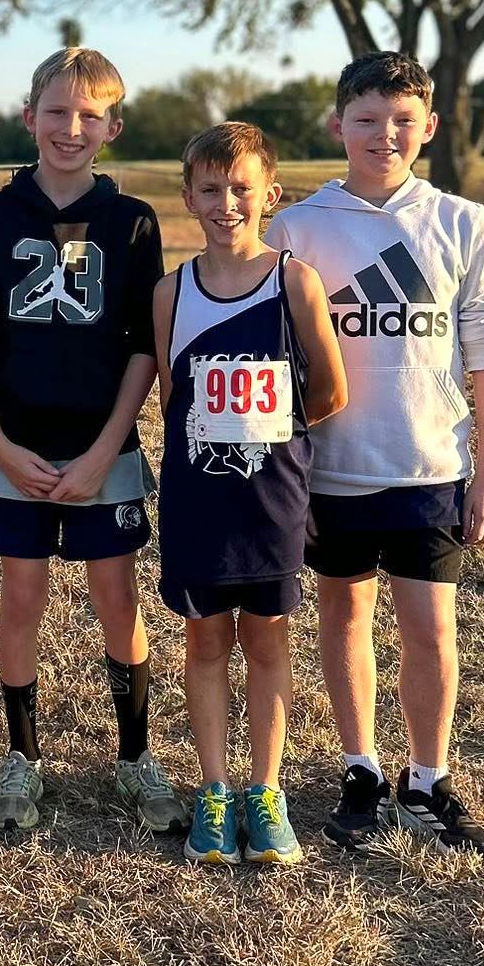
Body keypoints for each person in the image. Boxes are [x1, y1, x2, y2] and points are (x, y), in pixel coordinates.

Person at [266, 52, 484, 856]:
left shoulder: (461, 221)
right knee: (344, 615)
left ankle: (427, 780)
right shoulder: (299, 227)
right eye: (367, 119)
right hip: (331, 469)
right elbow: (274, 357)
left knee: (431, 629)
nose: (385, 135)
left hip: (429, 467)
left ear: (429, 126)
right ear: (337, 125)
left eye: (404, 120)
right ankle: (361, 769)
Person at [0, 47, 185, 835]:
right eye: (57, 111)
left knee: (117, 600)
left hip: (102, 448)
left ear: (114, 127)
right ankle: (22, 757)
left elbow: (143, 346)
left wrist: (104, 451)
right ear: (29, 117)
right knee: (21, 600)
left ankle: (135, 755)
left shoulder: (133, 221)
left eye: (90, 115)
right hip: (16, 447)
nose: (71, 128)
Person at [154, 122, 347, 866]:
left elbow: (329, 391)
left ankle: (265, 792)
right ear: (188, 197)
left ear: (271, 194)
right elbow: (174, 396)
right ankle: (214, 790)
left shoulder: (295, 282)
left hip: (274, 501)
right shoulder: (170, 293)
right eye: (210, 189)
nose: (226, 203)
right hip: (199, 502)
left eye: (241, 188)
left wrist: (269, 439)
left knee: (267, 640)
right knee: (205, 640)